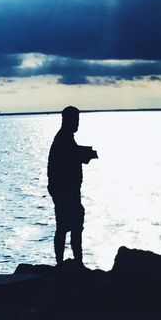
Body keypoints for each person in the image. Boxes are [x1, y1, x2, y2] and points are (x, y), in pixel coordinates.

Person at [47, 105, 98, 267]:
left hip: (68, 190)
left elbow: (73, 154)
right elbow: (69, 158)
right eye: (75, 120)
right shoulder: (63, 138)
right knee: (66, 226)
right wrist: (84, 154)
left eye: (78, 120)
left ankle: (74, 262)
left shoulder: (66, 138)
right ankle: (67, 263)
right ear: (67, 120)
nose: (77, 124)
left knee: (73, 224)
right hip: (65, 191)